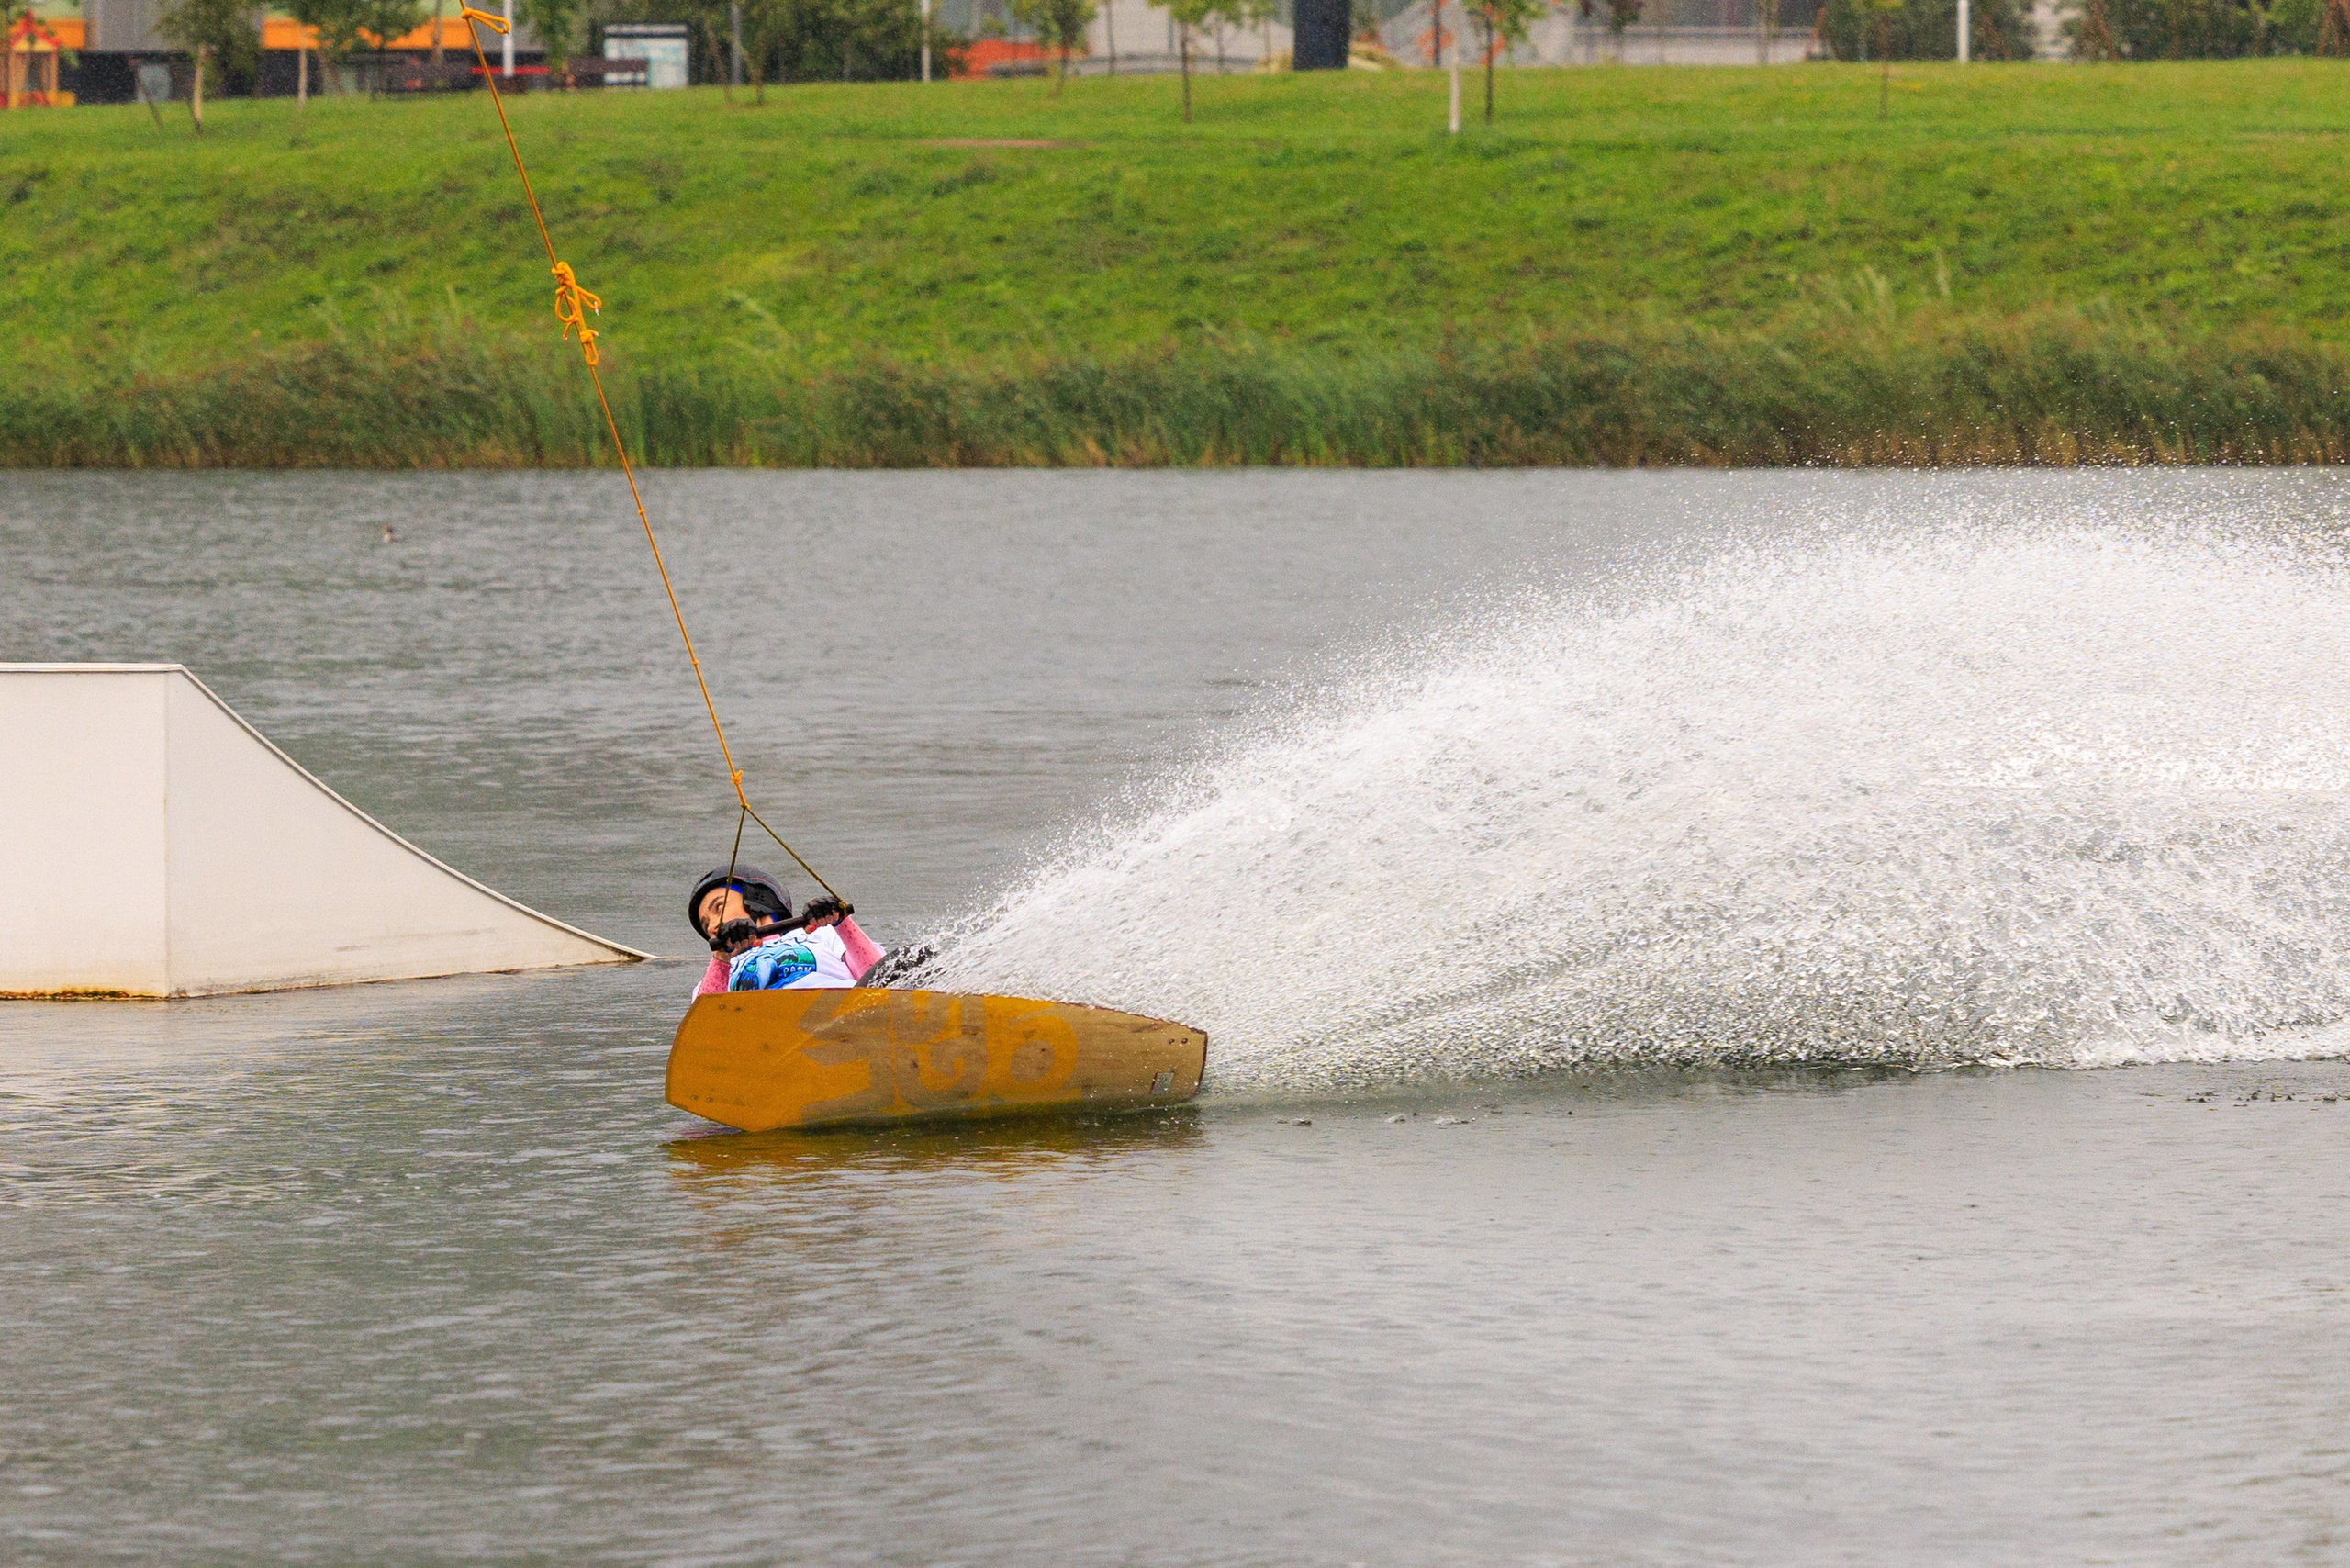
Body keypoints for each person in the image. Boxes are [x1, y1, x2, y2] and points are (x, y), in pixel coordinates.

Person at [686, 865, 886, 998]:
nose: (712, 926)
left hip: (846, 1013)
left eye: (718, 908)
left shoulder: (821, 935)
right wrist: (722, 958)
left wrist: (840, 922)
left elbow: (882, 978)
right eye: (706, 926)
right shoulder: (716, 978)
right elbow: (704, 1028)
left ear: (756, 901)